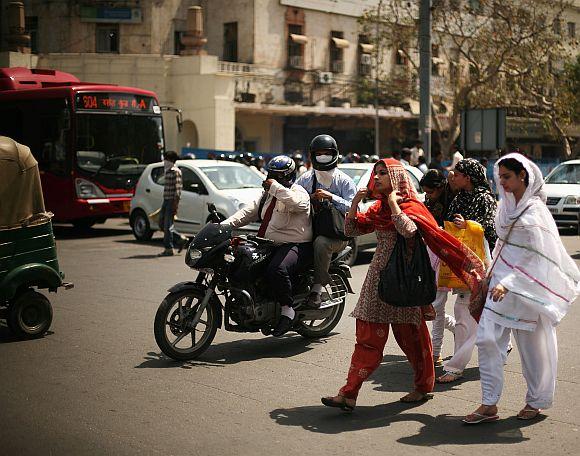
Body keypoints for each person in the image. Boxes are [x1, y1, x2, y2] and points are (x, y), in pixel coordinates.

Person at [321, 159, 485, 411]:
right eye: (375, 174)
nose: (376, 178)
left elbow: (408, 230)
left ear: (396, 179)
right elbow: (351, 229)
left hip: (404, 283)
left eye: (383, 174)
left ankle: (423, 386)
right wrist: (355, 203)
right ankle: (349, 392)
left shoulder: (411, 206)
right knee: (366, 337)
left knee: (414, 340)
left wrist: (394, 203)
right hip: (377, 280)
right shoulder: (377, 208)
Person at [464, 153, 580, 424]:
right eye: (500, 176)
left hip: (527, 289)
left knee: (533, 349)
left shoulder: (535, 211)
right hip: (498, 287)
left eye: (507, 177)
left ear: (522, 176)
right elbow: (501, 245)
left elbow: (535, 255)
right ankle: (489, 403)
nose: (501, 182)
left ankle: (536, 401)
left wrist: (509, 282)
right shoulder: (504, 207)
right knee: (487, 339)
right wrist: (490, 274)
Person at [221, 155, 313, 337]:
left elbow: (298, 204)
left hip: (296, 245)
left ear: (287, 176)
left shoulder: (298, 192)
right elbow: (248, 212)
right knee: (241, 262)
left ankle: (288, 310)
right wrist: (224, 225)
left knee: (276, 269)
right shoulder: (268, 195)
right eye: (270, 175)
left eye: (275, 176)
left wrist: (275, 187)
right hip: (268, 244)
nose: (269, 179)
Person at [436, 158, 498, 383]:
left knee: (465, 312)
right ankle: (501, 346)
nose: (453, 176)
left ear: (468, 177)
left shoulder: (485, 198)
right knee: (480, 313)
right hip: (459, 261)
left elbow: (491, 228)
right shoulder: (459, 197)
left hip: (480, 263)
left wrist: (468, 225)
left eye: (457, 173)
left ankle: (455, 367)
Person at [296, 134, 357, 308]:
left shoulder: (344, 181)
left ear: (334, 154)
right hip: (308, 230)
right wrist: (310, 198)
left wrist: (332, 197)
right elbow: (294, 199)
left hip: (335, 235)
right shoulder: (306, 179)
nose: (322, 157)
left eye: (326, 153)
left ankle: (317, 289)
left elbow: (354, 210)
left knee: (321, 243)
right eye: (319, 153)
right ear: (312, 156)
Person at [420, 170, 457, 367]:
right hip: (428, 255)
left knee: (436, 307)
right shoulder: (427, 203)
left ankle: (435, 353)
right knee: (434, 308)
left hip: (444, 257)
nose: (428, 196)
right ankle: (458, 330)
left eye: (431, 192)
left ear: (441, 188)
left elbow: (453, 176)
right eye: (425, 192)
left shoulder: (453, 200)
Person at [157, 151, 187, 256]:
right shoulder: (167, 171)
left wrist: (175, 205)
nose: (165, 161)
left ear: (171, 160)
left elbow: (178, 191)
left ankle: (169, 248)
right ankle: (180, 238)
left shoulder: (176, 172)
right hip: (165, 200)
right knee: (161, 223)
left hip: (171, 201)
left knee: (167, 225)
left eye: (166, 159)